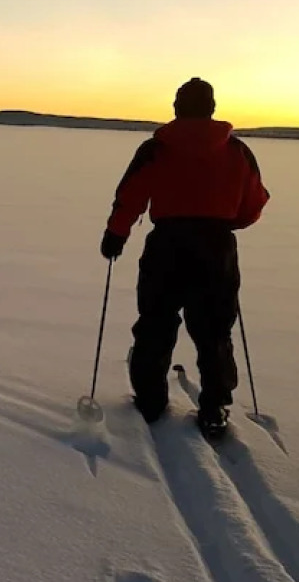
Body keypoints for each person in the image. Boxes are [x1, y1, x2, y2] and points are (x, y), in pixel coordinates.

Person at [99, 78, 269, 439]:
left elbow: (129, 196)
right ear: (212, 108)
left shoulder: (156, 148)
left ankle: (150, 400)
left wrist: (116, 235)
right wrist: (226, 223)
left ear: (177, 108)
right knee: (214, 330)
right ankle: (215, 407)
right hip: (216, 248)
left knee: (155, 324)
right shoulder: (237, 151)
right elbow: (254, 205)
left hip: (168, 246)